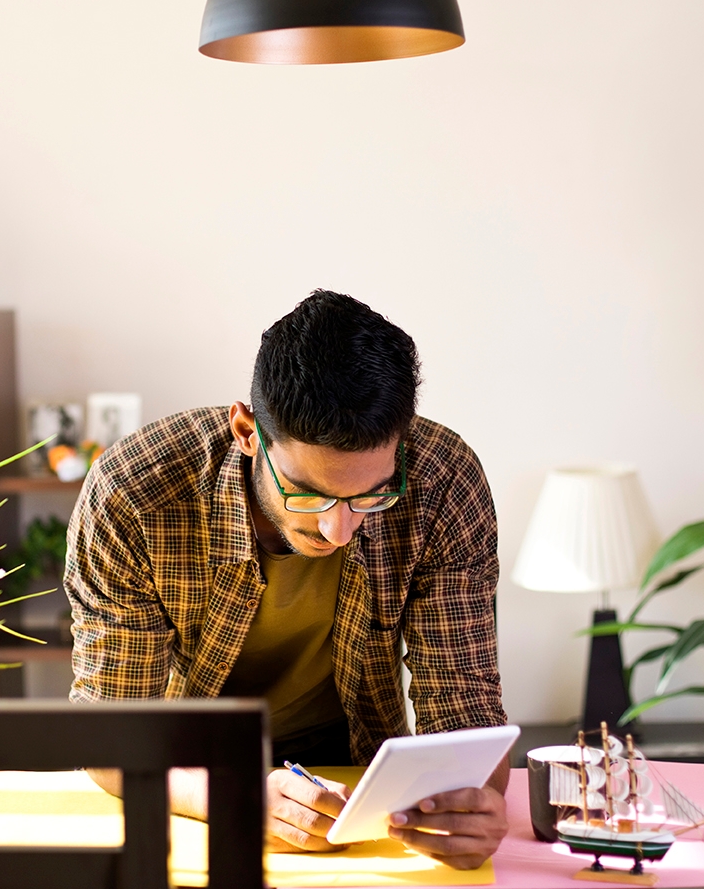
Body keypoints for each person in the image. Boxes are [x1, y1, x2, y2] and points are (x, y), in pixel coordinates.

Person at [64, 290, 508, 868]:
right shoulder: (134, 493)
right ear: (247, 432)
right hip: (185, 778)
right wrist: (233, 791)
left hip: (361, 779)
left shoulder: (444, 482)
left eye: (371, 495)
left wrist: (473, 803)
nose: (338, 528)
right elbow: (110, 735)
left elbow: (465, 709)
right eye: (309, 492)